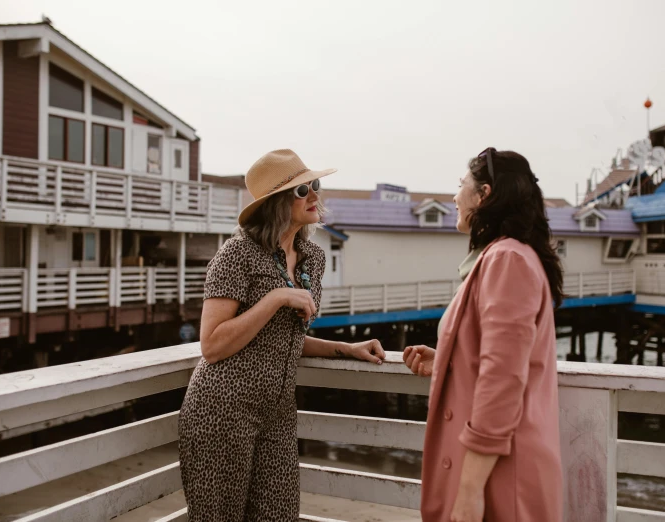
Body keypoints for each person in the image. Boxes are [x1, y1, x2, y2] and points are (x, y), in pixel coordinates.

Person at [178, 149, 386, 521]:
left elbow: (281, 339)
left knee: (280, 514)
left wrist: (344, 348)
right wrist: (275, 298)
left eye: (315, 186)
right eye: (302, 190)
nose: (315, 196)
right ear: (276, 202)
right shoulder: (236, 254)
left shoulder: (312, 258)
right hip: (222, 410)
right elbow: (211, 345)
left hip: (278, 412)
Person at [403, 148, 564, 521]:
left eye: (461, 186)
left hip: (499, 477)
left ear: (484, 195)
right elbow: (499, 356)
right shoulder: (508, 255)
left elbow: (503, 379)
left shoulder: (507, 259)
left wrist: (470, 492)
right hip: (499, 467)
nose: (455, 197)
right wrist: (447, 357)